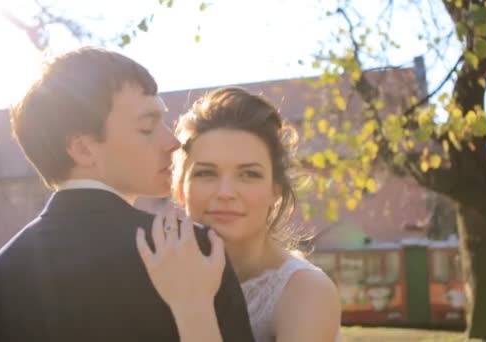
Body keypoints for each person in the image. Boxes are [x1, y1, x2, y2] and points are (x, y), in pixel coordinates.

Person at [0, 47, 254, 342]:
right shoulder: (189, 248)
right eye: (148, 127)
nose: (172, 142)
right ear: (83, 148)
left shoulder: (2, 270)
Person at [136, 87, 341, 341]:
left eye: (249, 174)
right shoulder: (158, 271)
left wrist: (193, 307)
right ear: (179, 189)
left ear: (275, 190)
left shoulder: (306, 291)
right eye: (206, 173)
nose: (225, 193)